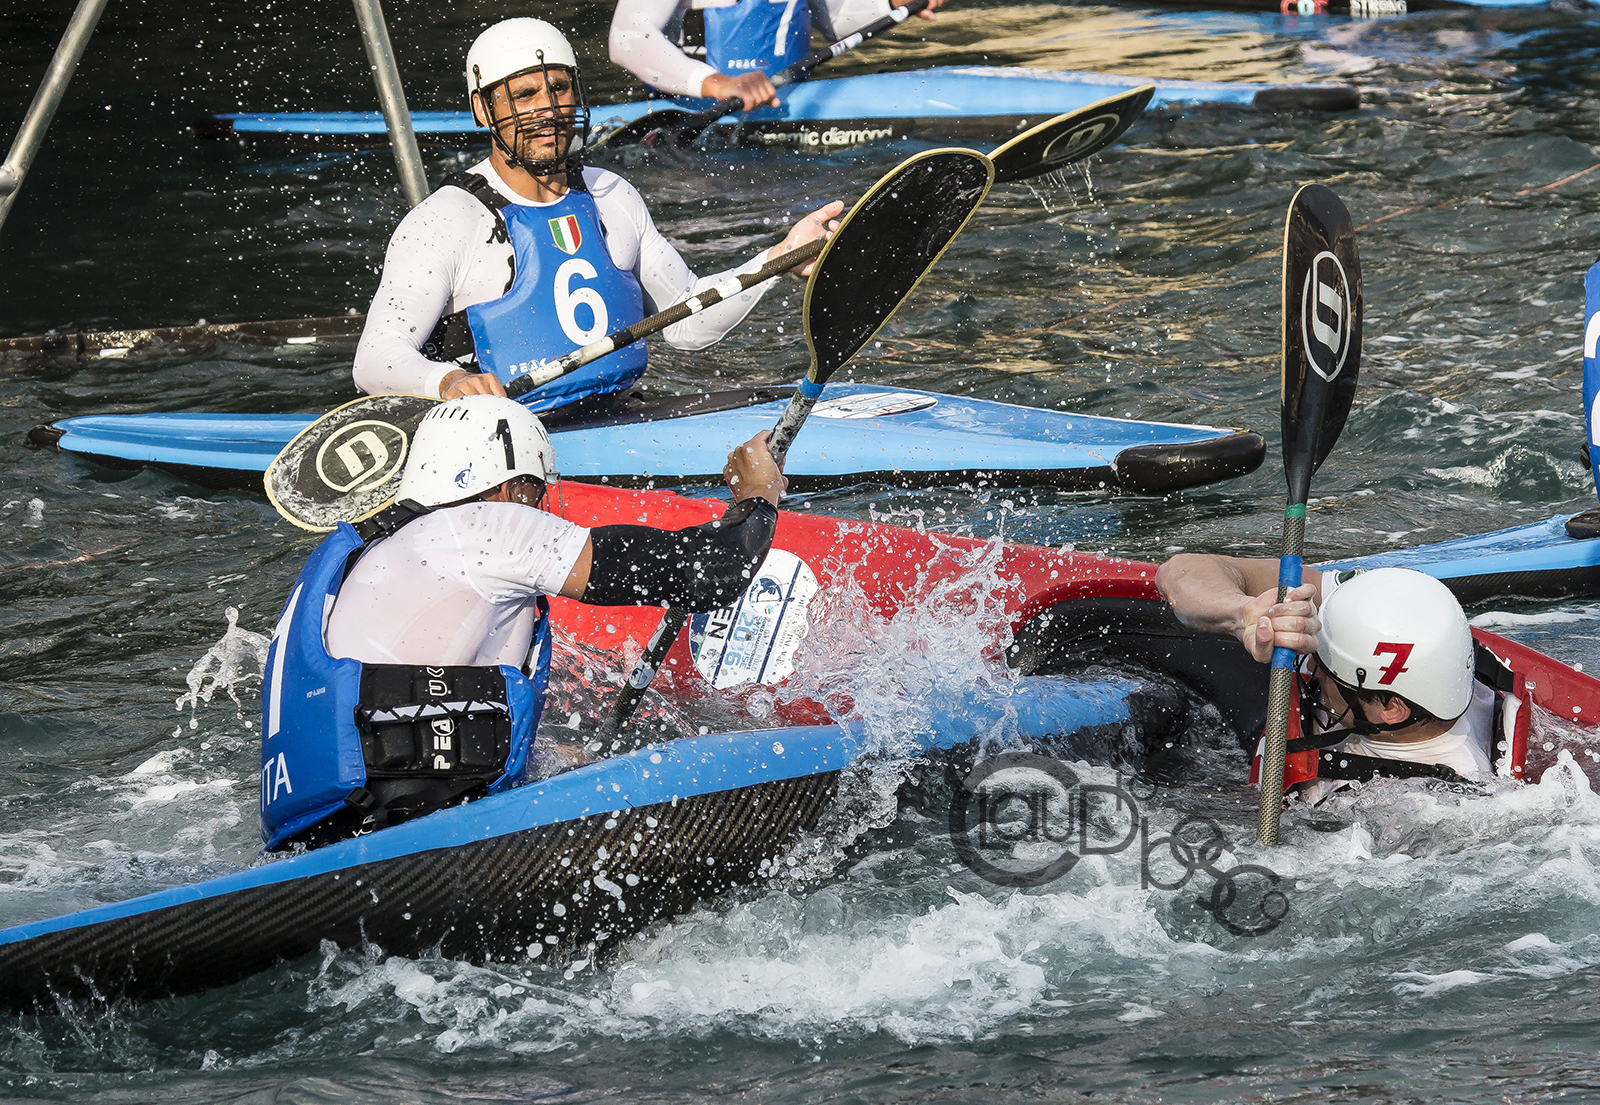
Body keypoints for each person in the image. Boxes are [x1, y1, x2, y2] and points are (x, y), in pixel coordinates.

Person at [258, 394, 787, 850]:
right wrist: (759, 496)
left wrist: (556, 759)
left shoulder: (382, 552)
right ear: (507, 488)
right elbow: (712, 573)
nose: (541, 511)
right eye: (535, 494)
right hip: (406, 829)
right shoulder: (484, 527)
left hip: (332, 826)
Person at [353, 17, 842, 410]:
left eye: (560, 89)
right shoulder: (447, 219)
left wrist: (779, 256)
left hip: (619, 413)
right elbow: (376, 358)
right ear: (483, 110)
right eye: (525, 95)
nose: (549, 110)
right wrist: (449, 381)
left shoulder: (612, 195)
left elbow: (686, 321)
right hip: (504, 446)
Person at [1155, 557, 1523, 805]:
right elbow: (1180, 570)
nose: (1311, 670)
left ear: (1392, 708)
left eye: (1328, 671)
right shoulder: (1374, 610)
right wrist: (1242, 613)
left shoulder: (1430, 802)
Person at [608, 0, 948, 110]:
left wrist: (889, 3)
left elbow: (833, 17)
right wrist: (718, 84)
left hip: (786, 105)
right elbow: (626, 39)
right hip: (690, 114)